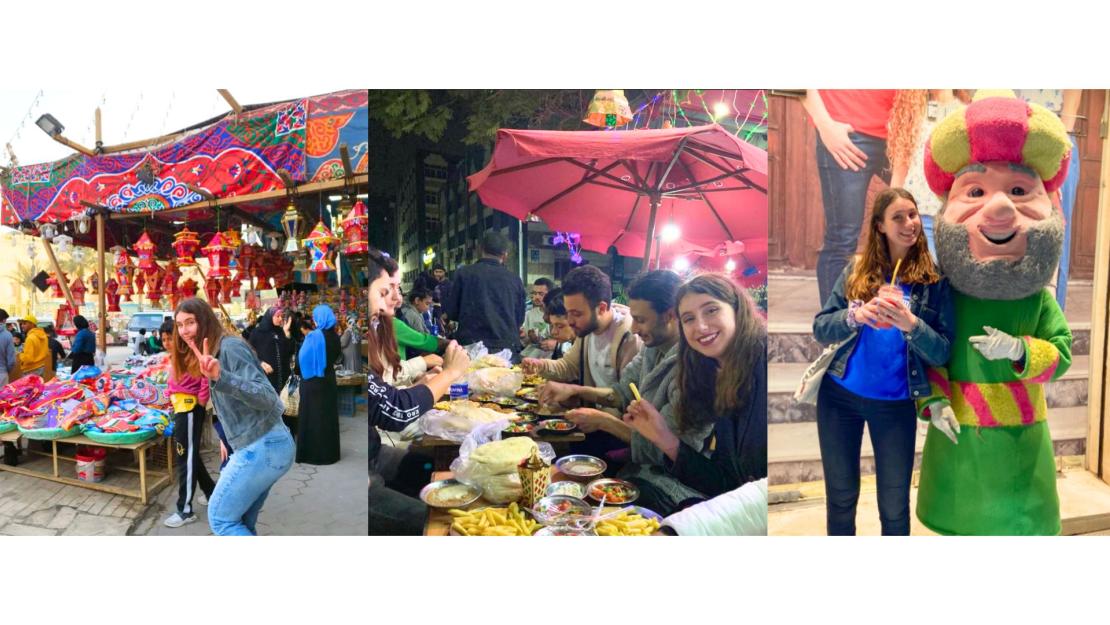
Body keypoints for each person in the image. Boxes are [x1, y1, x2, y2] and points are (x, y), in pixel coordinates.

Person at [915, 91, 1074, 535]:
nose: (1000, 208)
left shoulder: (1039, 301)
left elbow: (1061, 355)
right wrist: (932, 402)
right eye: (976, 191)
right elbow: (929, 358)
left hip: (1023, 452)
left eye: (1020, 190)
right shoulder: (942, 296)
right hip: (959, 450)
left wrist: (1021, 350)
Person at [811, 188, 954, 536]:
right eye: (898, 217)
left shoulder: (933, 283)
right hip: (838, 397)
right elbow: (821, 327)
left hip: (894, 405)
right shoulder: (857, 271)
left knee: (893, 507)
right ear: (879, 226)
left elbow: (942, 352)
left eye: (913, 214)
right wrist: (857, 315)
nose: (910, 223)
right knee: (841, 499)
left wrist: (911, 324)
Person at [541, 270, 712, 515]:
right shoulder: (652, 349)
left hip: (673, 487)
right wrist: (573, 390)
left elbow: (666, 449)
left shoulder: (694, 368)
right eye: (633, 318)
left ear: (671, 316)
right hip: (639, 468)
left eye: (641, 320)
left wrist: (603, 421)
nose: (634, 329)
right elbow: (621, 392)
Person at [624, 274, 768, 505]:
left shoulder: (765, 365)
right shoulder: (708, 374)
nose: (700, 326)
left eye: (711, 310)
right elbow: (725, 482)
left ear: (737, 309)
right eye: (689, 318)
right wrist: (664, 438)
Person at [368, 249, 472, 536]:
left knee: (447, 477)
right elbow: (395, 410)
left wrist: (422, 382)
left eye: (397, 290)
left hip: (376, 453)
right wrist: (449, 373)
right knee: (447, 525)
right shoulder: (365, 336)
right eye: (385, 291)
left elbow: (387, 394)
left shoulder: (378, 328)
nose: (396, 300)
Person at [171, 297, 295, 536]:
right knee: (240, 522)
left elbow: (268, 398)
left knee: (221, 520)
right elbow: (229, 404)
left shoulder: (230, 348)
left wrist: (221, 377)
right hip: (260, 444)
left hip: (264, 445)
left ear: (205, 320)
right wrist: (225, 434)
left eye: (190, 322)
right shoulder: (213, 351)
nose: (184, 331)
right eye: (179, 325)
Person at [803, 89, 898, 306]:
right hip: (847, 132)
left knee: (923, 221)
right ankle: (835, 327)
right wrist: (825, 125)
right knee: (842, 238)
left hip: (901, 133)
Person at [522, 265, 641, 395]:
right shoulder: (586, 331)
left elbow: (626, 396)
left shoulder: (628, 338)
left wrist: (575, 392)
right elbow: (569, 366)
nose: (570, 321)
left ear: (601, 308)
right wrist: (539, 365)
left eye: (577, 314)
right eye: (568, 313)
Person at [164, 320, 216, 529]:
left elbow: (205, 380)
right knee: (189, 454)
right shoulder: (177, 355)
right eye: (164, 339)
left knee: (185, 457)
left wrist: (201, 405)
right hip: (180, 409)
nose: (167, 342)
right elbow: (174, 381)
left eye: (170, 338)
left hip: (191, 410)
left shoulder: (194, 352)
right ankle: (211, 492)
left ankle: (185, 510)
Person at [443, 230, 526, 357]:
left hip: (471, 348)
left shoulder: (464, 274)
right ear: (505, 255)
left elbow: (453, 312)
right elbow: (519, 319)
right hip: (506, 350)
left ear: (480, 250)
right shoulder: (515, 280)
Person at [296, 305, 342, 465]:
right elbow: (336, 355)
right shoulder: (335, 337)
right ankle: (329, 454)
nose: (314, 321)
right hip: (328, 380)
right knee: (327, 416)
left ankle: (312, 454)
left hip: (312, 381)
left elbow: (301, 359)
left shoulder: (314, 336)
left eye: (316, 317)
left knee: (312, 416)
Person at [247, 307, 295, 393]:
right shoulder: (257, 333)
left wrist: (287, 335)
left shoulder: (280, 332)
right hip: (266, 378)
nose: (280, 319)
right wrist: (260, 362)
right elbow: (249, 353)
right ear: (270, 317)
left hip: (283, 378)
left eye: (282, 316)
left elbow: (289, 352)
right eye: (277, 316)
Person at [520, 277, 554, 358]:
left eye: (541, 294)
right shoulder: (529, 314)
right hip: (530, 356)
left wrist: (556, 344)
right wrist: (525, 337)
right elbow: (525, 343)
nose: (536, 297)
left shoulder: (558, 315)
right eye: (534, 293)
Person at [541, 289, 575, 360]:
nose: (553, 332)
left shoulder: (587, 347)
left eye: (560, 326)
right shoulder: (561, 342)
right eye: (552, 325)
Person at [15, 316, 51, 380]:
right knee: (37, 389)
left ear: (32, 324)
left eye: (24, 323)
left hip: (30, 370)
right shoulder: (44, 336)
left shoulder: (30, 338)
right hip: (41, 367)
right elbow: (46, 352)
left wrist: (20, 354)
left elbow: (28, 358)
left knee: (28, 390)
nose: (22, 326)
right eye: (22, 324)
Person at [0, 309, 15, 386]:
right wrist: (6, 371)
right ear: (3, 320)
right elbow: (11, 361)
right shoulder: (7, 335)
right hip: (2, 374)